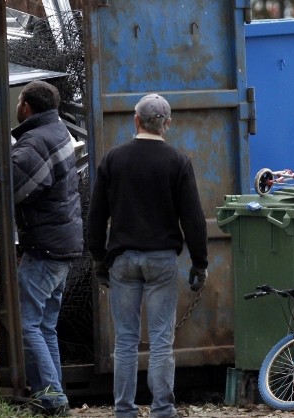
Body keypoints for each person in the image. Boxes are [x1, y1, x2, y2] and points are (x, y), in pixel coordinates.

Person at [88, 93, 209, 418]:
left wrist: (98, 257)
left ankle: (124, 410)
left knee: (125, 340)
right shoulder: (178, 161)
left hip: (122, 260)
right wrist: (200, 262)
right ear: (167, 124)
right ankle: (162, 409)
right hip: (161, 261)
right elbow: (193, 218)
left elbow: (97, 214)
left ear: (135, 120)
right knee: (160, 340)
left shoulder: (113, 159)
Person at [11, 80, 83, 417]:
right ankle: (57, 394)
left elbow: (9, 187)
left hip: (45, 249)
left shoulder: (34, 143)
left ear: (26, 106)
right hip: (63, 246)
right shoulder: (58, 132)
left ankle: (52, 399)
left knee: (27, 324)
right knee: (45, 326)